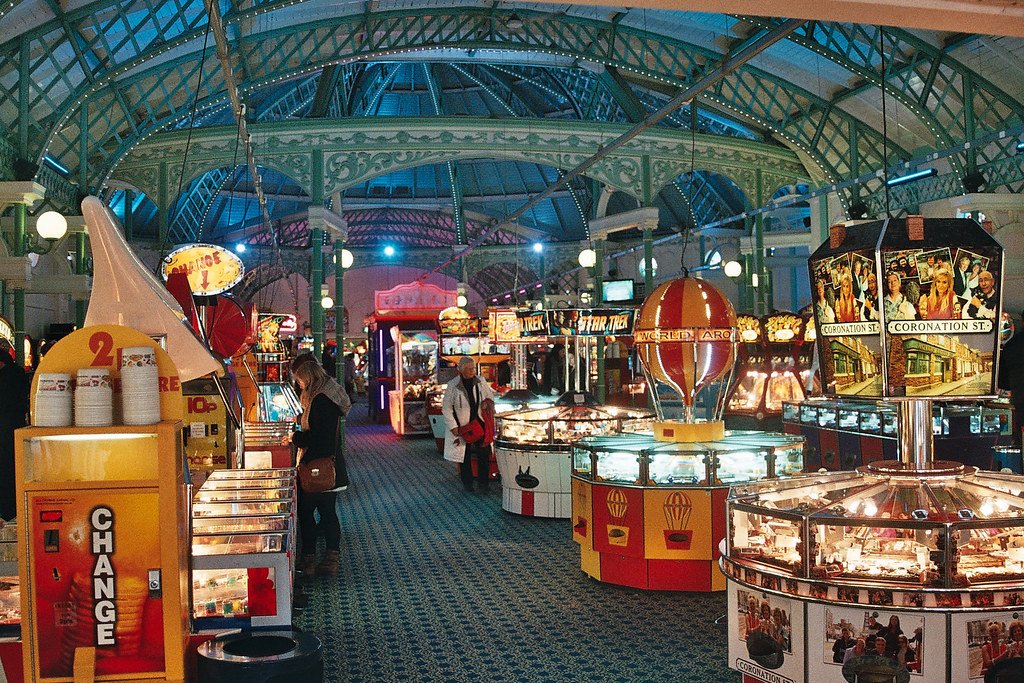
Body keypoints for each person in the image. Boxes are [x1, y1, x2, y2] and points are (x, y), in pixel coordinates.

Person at [290, 353, 352, 577]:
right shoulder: (328, 394)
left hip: (318, 466)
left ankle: (311, 561)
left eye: (298, 379)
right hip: (330, 464)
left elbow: (318, 437)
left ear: (305, 376)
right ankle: (329, 559)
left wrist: (297, 438)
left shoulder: (320, 399)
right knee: (327, 512)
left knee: (309, 513)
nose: (298, 384)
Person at [442, 356, 495, 493]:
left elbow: (490, 396)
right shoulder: (453, 385)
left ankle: (483, 484)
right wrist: (453, 427)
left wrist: (487, 402)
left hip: (479, 422)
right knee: (463, 456)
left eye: (473, 368)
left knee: (483, 453)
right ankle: (468, 483)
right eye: (469, 369)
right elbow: (446, 408)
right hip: (462, 426)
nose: (472, 371)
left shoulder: (480, 381)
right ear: (461, 370)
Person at [0, 340, 29, 520]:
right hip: (16, 427)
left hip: (4, 429)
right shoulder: (19, 373)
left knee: (5, 469)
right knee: (13, 468)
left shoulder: (4, 378)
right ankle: (13, 510)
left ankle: (6, 510)